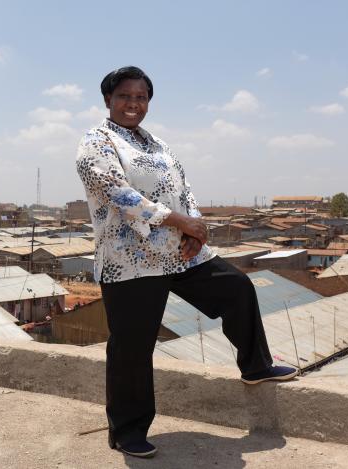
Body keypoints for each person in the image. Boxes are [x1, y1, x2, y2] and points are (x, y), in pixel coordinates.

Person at [75, 66, 298, 459]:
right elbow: (117, 192)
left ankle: (255, 366)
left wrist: (194, 229)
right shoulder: (96, 142)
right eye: (126, 96)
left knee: (236, 288)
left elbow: (183, 187)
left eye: (141, 97)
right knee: (133, 347)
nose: (134, 104)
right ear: (108, 99)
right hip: (130, 261)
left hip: (178, 253)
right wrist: (179, 221)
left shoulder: (157, 144)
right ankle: (128, 431)